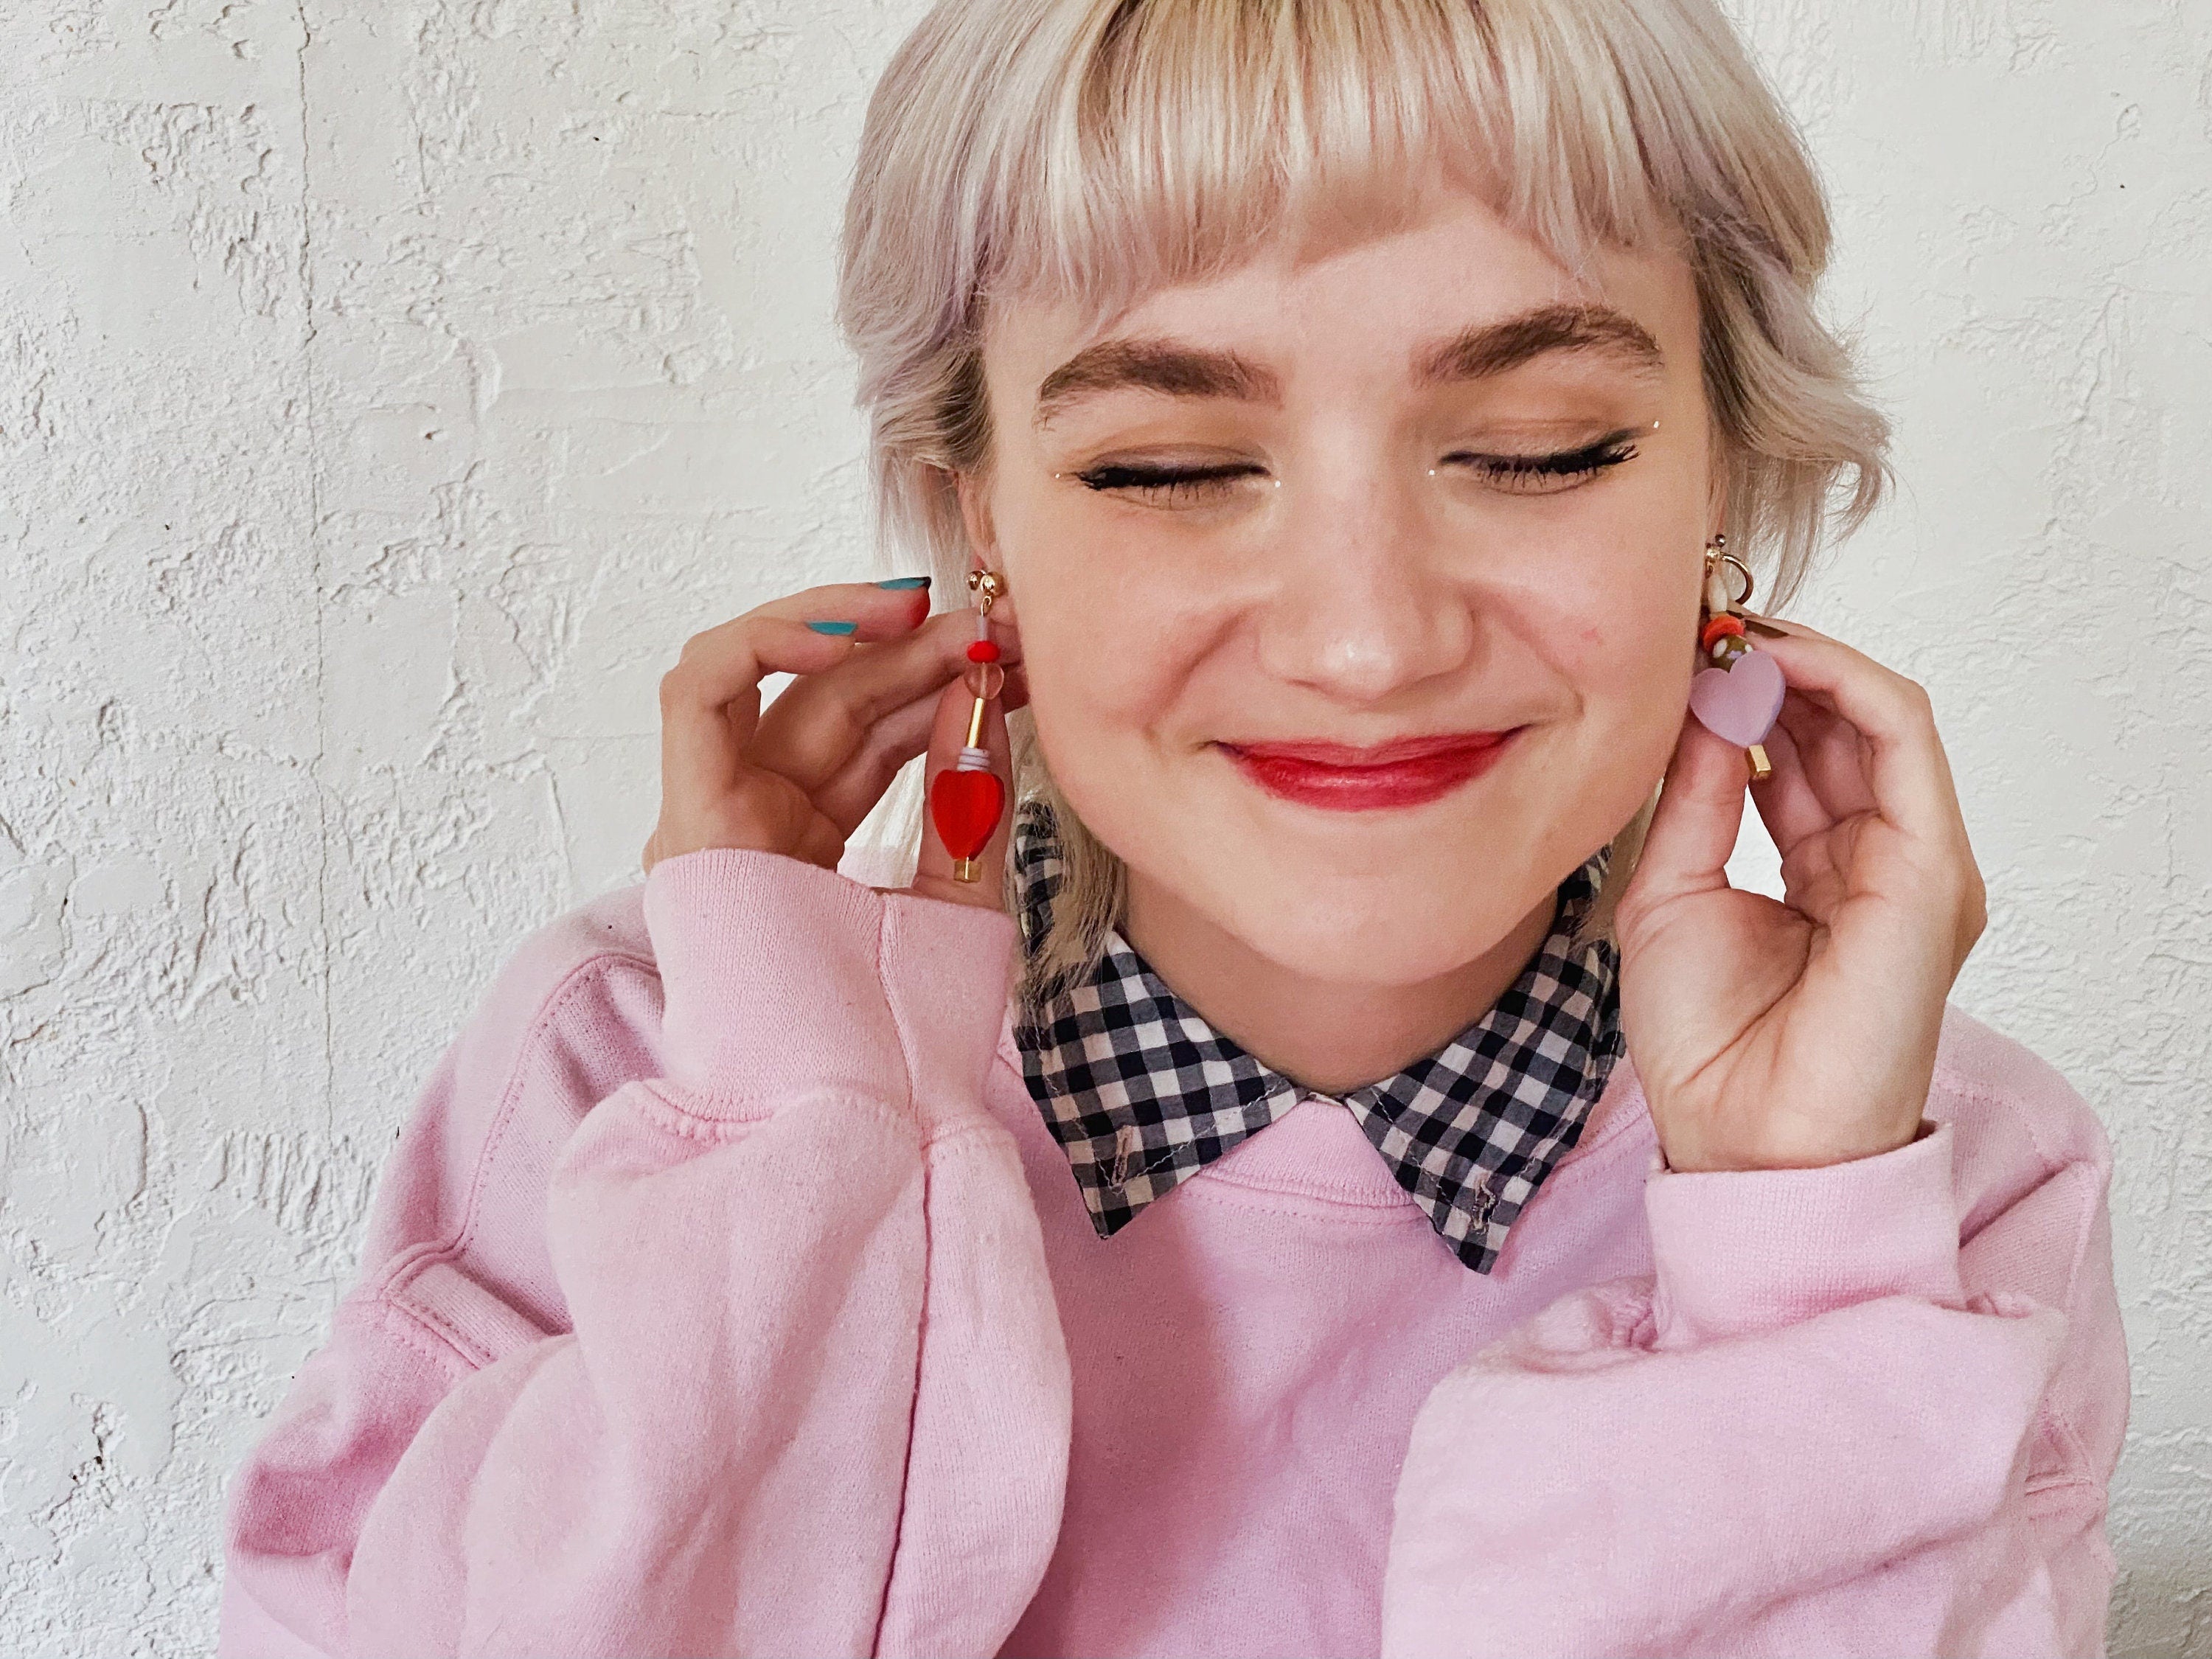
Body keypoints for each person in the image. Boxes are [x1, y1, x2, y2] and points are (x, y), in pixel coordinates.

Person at [217, 1, 2128, 1655]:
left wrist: (1795, 1272)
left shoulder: (1938, 1191)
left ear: (1728, 483)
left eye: (1540, 447)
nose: (1369, 636)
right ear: (981, 530)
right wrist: (805, 1150)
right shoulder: (636, 1070)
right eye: (1171, 465)